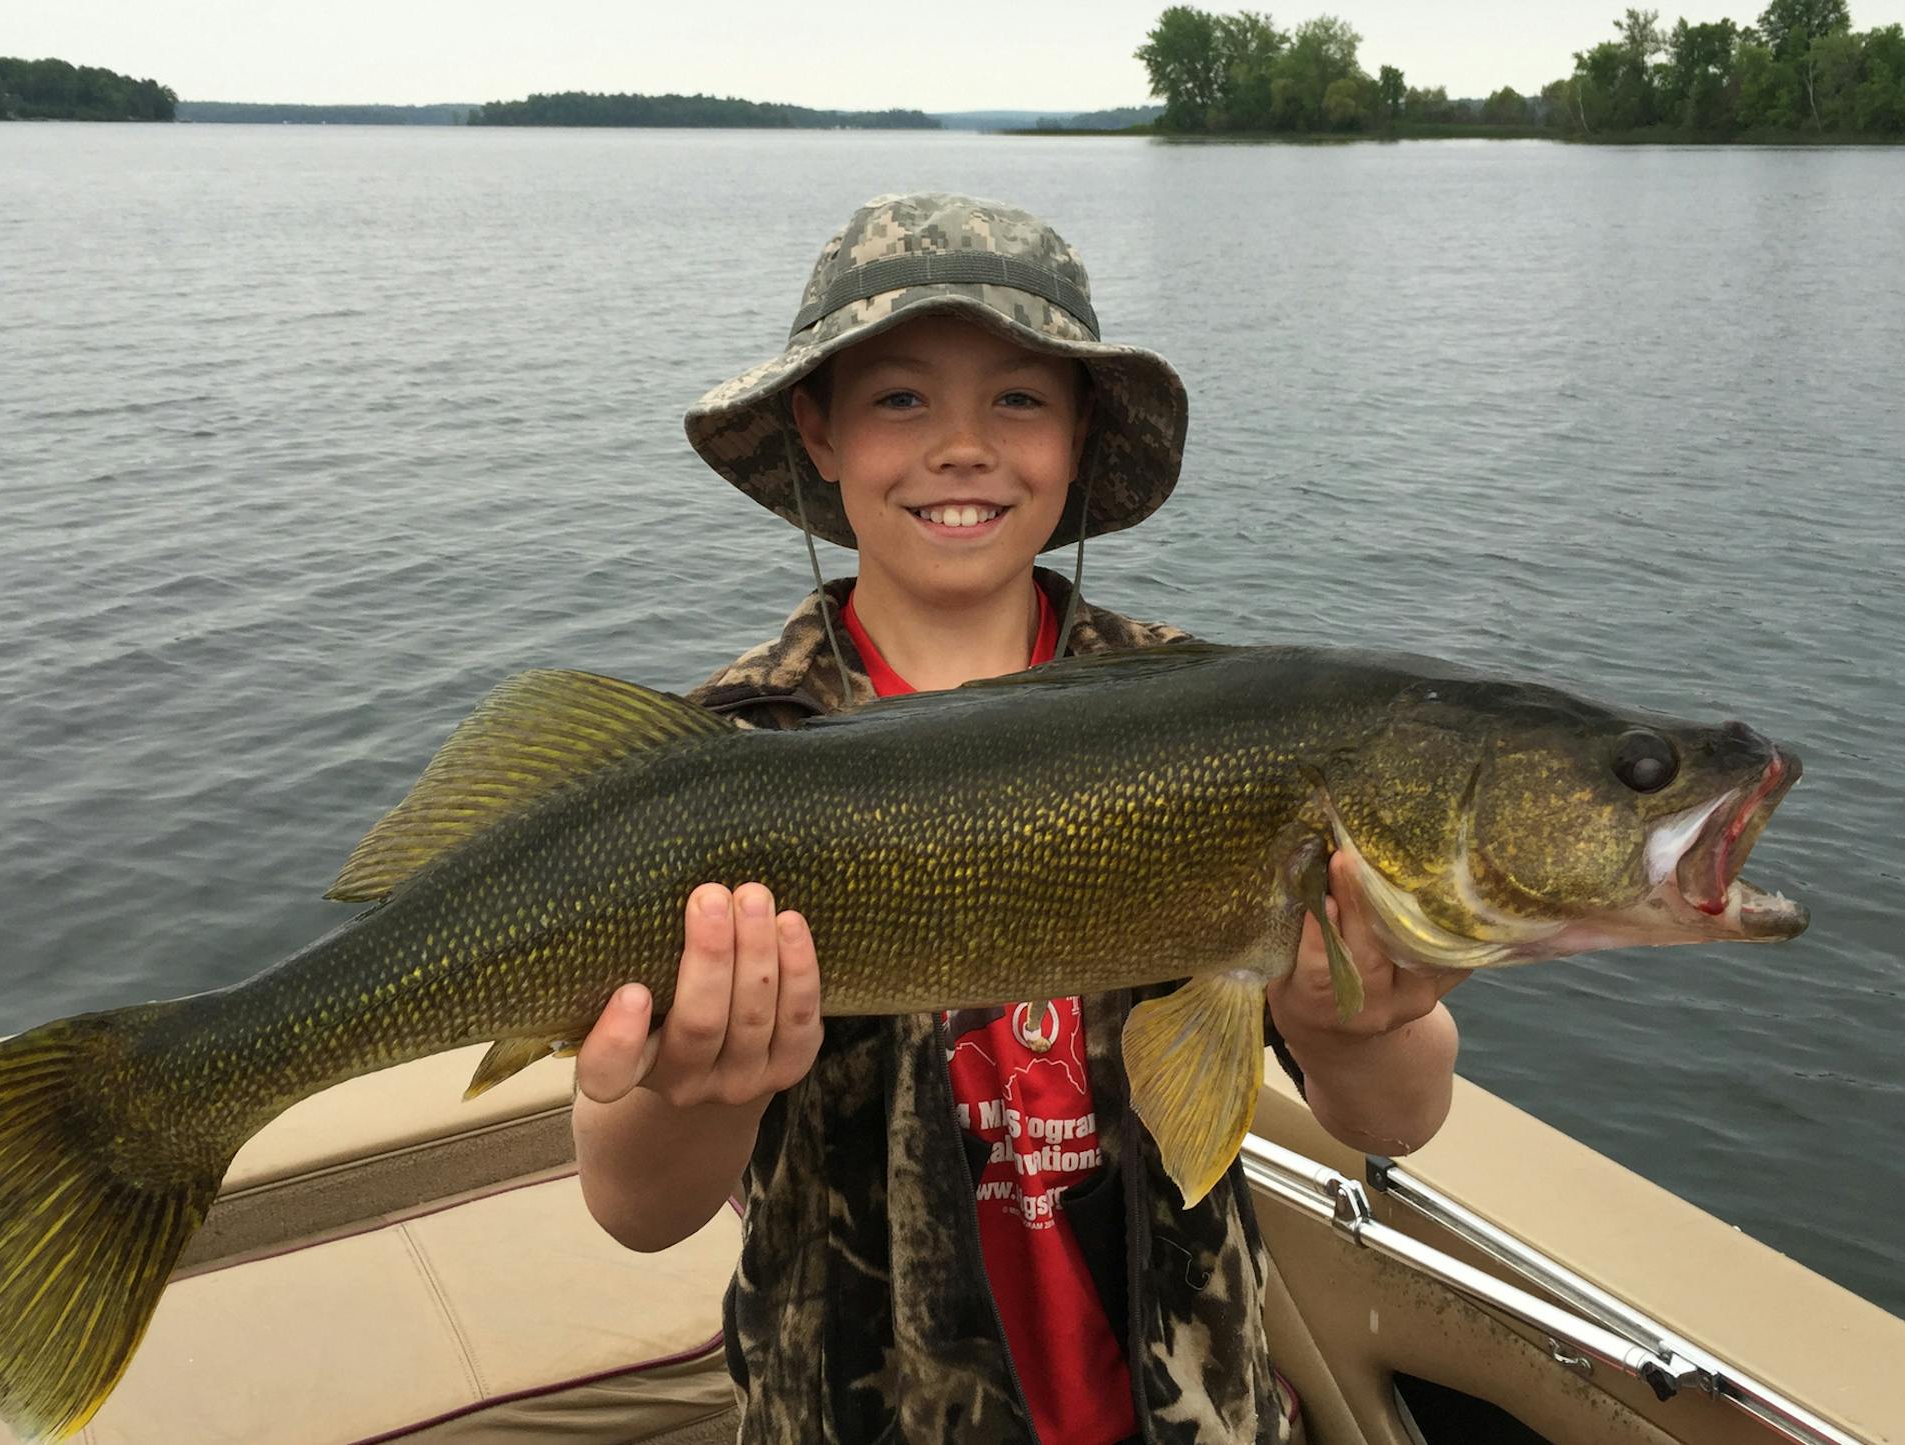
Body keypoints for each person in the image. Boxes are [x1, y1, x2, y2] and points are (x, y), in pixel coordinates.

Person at [571, 192, 1461, 1445]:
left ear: (1082, 433)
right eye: (899, 400)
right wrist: (704, 1092)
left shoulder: (1213, 718)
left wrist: (1346, 1021)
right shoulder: (722, 750)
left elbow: (1400, 1114)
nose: (961, 446)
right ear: (815, 431)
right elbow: (633, 1202)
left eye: (1019, 399)